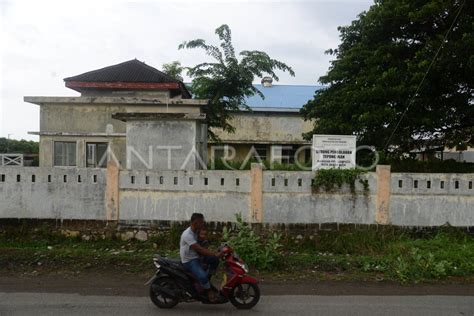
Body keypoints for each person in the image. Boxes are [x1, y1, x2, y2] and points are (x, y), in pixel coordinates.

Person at [180, 213, 221, 302]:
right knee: (202, 276)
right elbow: (200, 249)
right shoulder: (188, 235)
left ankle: (206, 282)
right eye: (201, 222)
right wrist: (214, 253)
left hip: (197, 256)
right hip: (189, 260)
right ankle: (209, 291)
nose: (203, 224)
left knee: (215, 260)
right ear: (195, 222)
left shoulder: (196, 231)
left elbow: (203, 243)